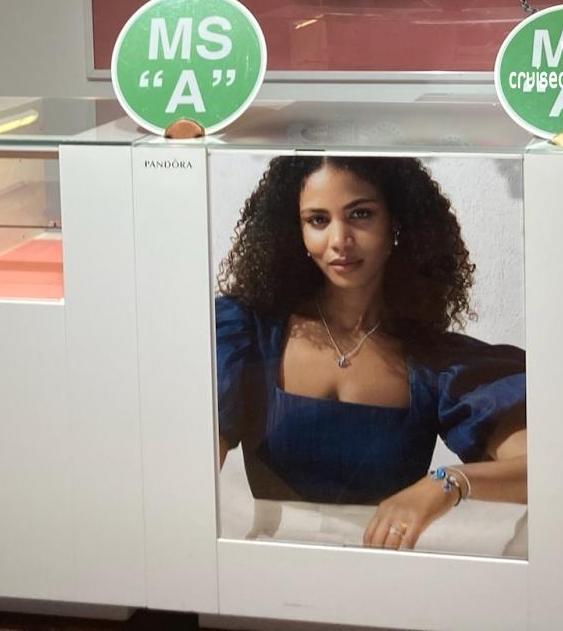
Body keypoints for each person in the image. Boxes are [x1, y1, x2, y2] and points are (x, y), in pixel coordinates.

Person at [215, 155, 526, 551]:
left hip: (385, 576)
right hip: (263, 570)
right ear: (295, 229)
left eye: (360, 214)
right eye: (318, 220)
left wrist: (447, 483)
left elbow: (546, 471)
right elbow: (187, 475)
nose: (339, 240)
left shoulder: (437, 364)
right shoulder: (244, 335)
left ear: (396, 221)